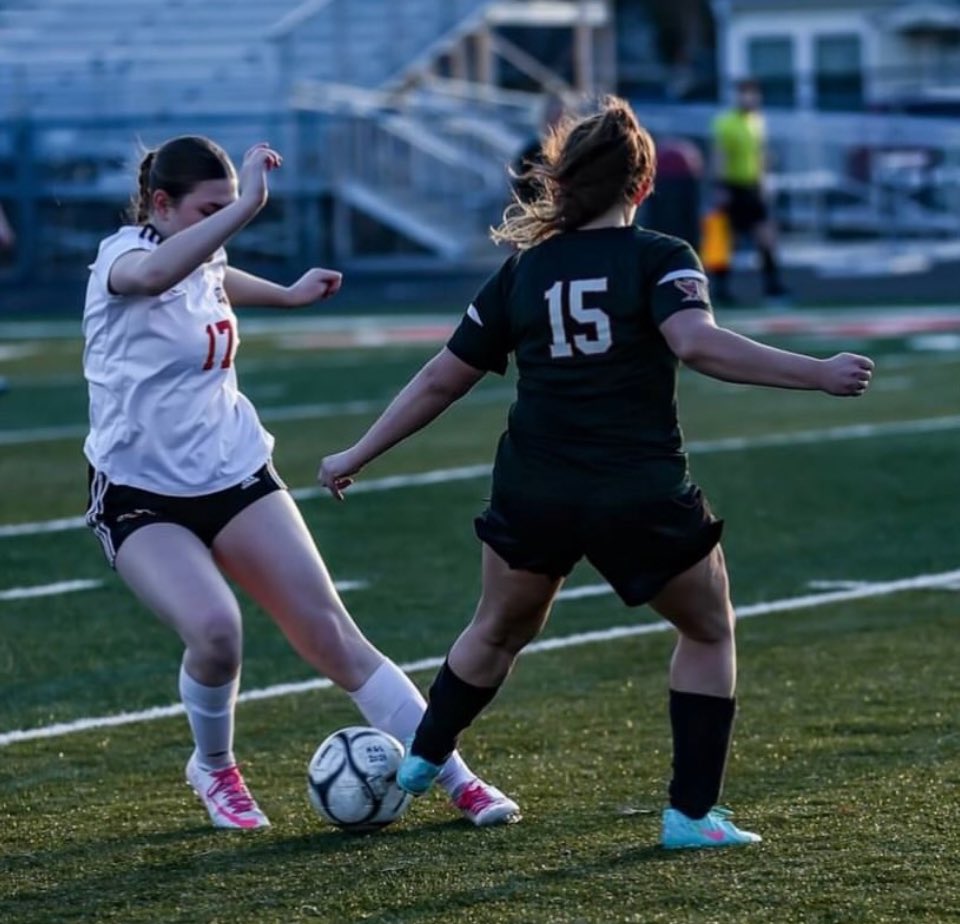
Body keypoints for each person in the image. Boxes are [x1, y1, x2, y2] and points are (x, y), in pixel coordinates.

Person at [318, 97, 874, 849]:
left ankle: (423, 757)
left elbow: (441, 380)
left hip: (533, 485)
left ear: (563, 185)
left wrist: (356, 454)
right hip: (634, 487)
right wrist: (817, 373)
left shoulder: (524, 271)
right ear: (641, 188)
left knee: (497, 628)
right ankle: (689, 815)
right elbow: (699, 345)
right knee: (709, 630)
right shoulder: (659, 256)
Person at [82, 135, 519, 830]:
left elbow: (214, 273)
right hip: (140, 495)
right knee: (217, 633)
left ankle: (453, 775)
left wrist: (284, 295)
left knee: (333, 634)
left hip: (234, 471)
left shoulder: (199, 248)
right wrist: (251, 202)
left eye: (229, 208)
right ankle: (214, 768)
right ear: (160, 206)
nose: (223, 222)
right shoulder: (123, 255)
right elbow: (154, 277)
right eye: (208, 210)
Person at [710, 78, 789, 305]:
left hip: (753, 187)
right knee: (728, 240)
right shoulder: (725, 123)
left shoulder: (757, 121)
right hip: (733, 187)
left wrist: (765, 181)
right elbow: (719, 155)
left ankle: (773, 288)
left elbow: (760, 154)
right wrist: (721, 186)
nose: (749, 98)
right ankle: (721, 289)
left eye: (753, 93)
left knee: (766, 236)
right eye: (745, 93)